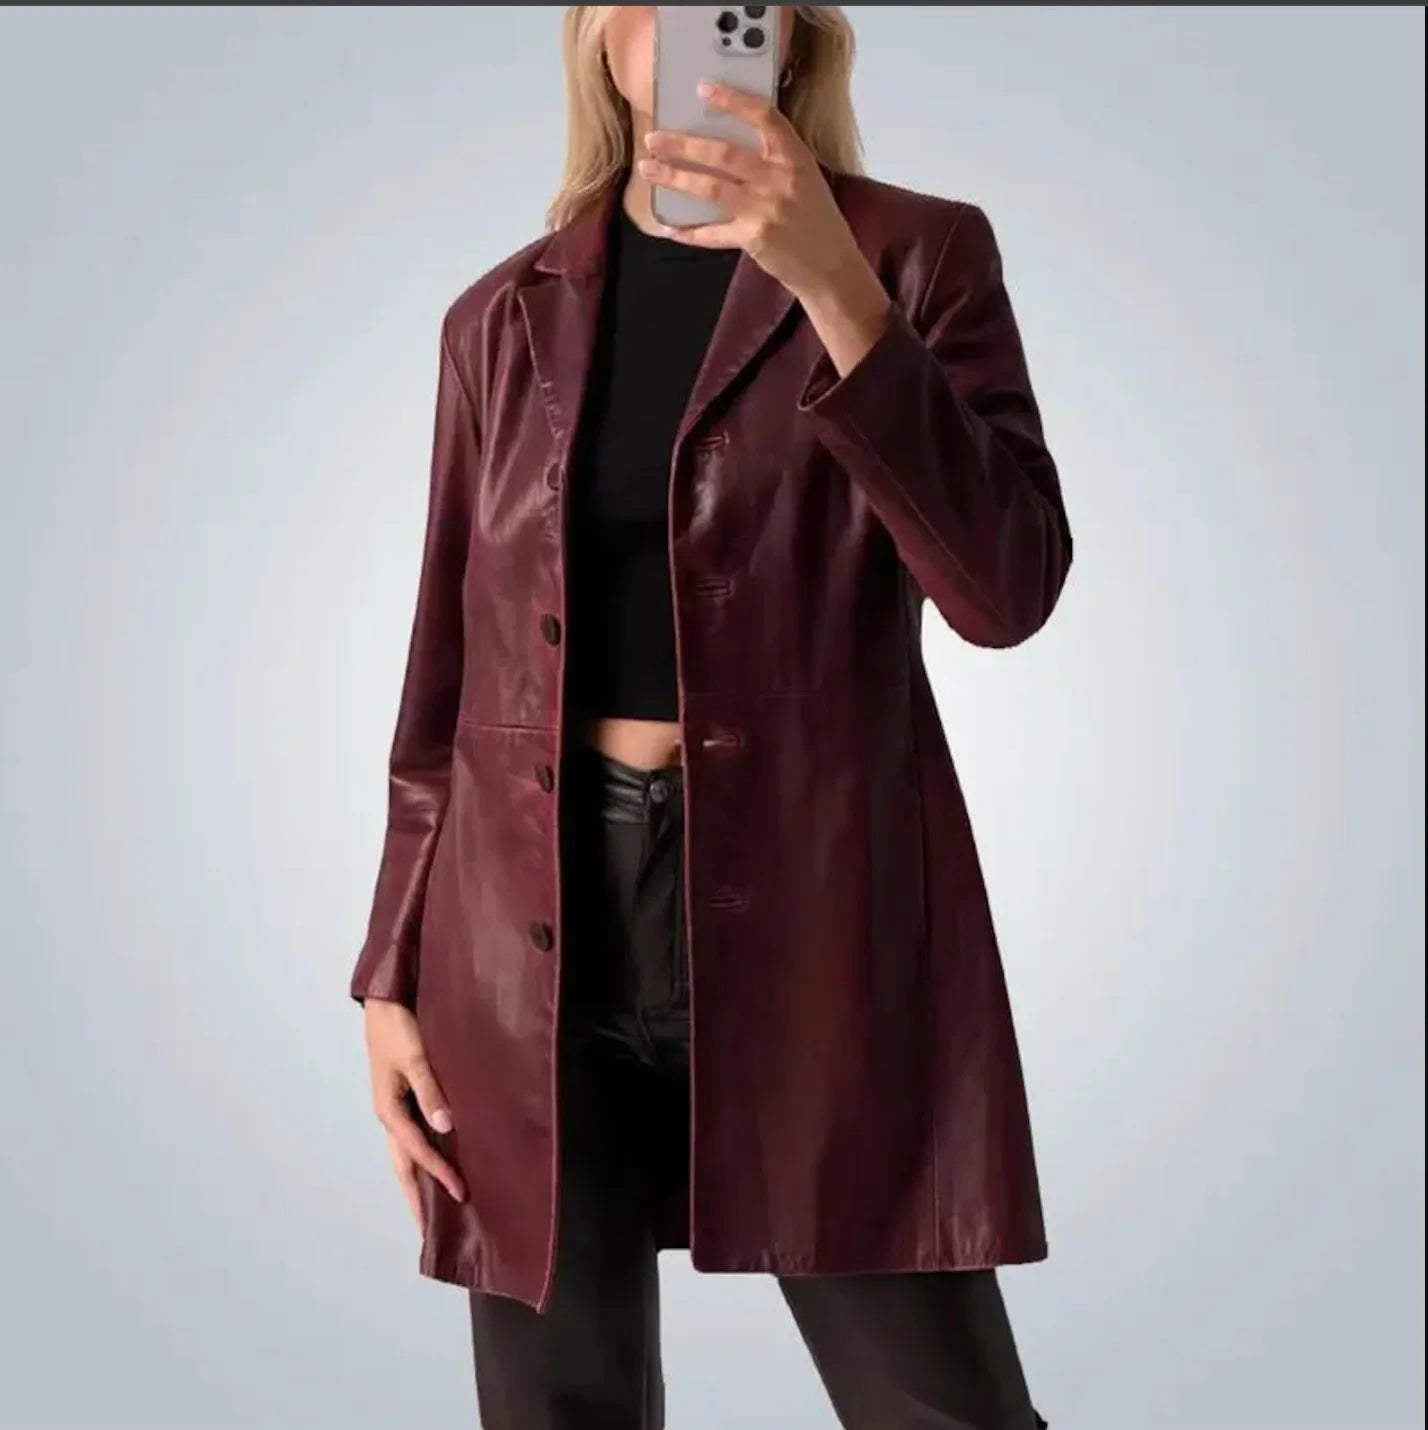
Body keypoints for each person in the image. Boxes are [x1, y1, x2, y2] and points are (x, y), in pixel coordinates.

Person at [350, 6, 1071, 1427]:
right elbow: (445, 675)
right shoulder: (501, 315)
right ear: (599, 38)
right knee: (558, 1407)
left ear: (789, 35)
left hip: (819, 912)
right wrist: (391, 972)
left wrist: (833, 286)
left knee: (941, 1406)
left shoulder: (918, 255)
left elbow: (1006, 591)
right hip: (527, 924)